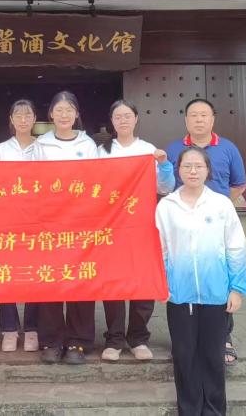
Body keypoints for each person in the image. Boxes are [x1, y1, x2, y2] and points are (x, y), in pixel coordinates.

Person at [156, 146, 246, 416]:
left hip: (215, 294)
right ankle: (189, 410)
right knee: (184, 357)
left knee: (212, 357)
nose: (193, 171)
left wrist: (237, 289)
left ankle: (214, 411)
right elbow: (159, 250)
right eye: (187, 166)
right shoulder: (167, 206)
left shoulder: (221, 204)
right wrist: (161, 284)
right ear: (179, 170)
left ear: (208, 170)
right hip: (179, 295)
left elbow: (236, 248)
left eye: (199, 166)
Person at [165, 98, 246, 366]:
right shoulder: (174, 149)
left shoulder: (228, 148)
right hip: (183, 225)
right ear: (186, 120)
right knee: (186, 279)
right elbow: (165, 184)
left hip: (216, 223)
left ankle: (223, 337)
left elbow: (238, 185)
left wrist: (218, 208)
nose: (198, 119)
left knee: (219, 278)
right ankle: (185, 341)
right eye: (193, 115)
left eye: (204, 115)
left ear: (212, 119)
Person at [97, 99, 174, 362]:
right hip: (111, 226)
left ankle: (138, 338)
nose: (123, 120)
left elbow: (164, 188)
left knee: (142, 279)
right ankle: (114, 339)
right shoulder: (102, 152)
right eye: (118, 116)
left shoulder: (148, 150)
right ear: (112, 121)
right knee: (114, 282)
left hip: (142, 224)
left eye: (127, 115)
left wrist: (164, 165)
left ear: (136, 118)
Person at [35, 90, 99, 365]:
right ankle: (51, 340)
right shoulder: (41, 145)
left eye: (69, 110)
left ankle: (79, 341)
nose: (63, 115)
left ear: (76, 114)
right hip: (49, 221)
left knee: (81, 280)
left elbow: (97, 181)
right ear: (51, 114)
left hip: (80, 221)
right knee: (51, 280)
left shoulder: (88, 144)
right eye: (59, 110)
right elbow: (31, 181)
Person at [0, 98, 40, 353]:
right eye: (18, 115)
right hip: (7, 220)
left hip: (38, 219)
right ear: (11, 120)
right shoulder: (0, 150)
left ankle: (32, 328)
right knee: (7, 273)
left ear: (34, 119)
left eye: (27, 115)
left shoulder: (44, 147)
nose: (23, 119)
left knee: (35, 273)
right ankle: (9, 329)